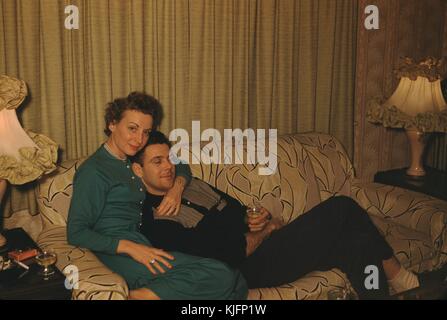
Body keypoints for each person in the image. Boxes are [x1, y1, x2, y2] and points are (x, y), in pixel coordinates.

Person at [131, 131, 425, 300]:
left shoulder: (190, 184)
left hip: (263, 246)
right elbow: (227, 256)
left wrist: (252, 219)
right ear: (138, 170)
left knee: (356, 242)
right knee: (342, 207)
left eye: (169, 158)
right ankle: (394, 271)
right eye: (157, 162)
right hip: (249, 267)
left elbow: (236, 210)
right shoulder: (157, 220)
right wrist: (268, 229)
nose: (168, 166)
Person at [67, 92, 248, 300]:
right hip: (118, 251)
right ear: (112, 124)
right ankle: (138, 296)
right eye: (132, 129)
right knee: (223, 276)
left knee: (238, 282)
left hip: (142, 242)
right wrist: (129, 248)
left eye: (146, 132)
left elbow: (182, 167)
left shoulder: (131, 156)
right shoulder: (94, 171)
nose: (139, 139)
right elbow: (76, 232)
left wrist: (176, 189)